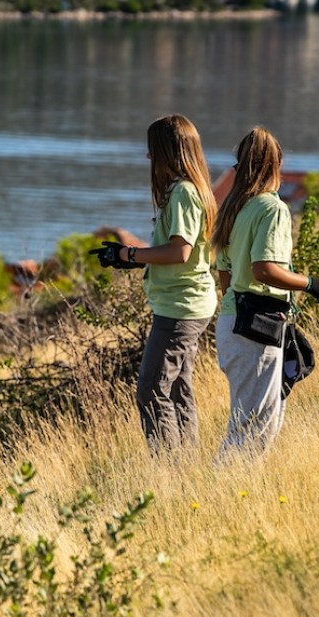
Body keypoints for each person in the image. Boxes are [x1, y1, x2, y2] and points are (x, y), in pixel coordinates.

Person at [91, 114, 219, 452]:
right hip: (185, 302)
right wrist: (127, 257)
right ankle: (186, 465)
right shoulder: (187, 191)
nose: (148, 156)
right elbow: (181, 254)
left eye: (152, 149)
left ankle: (169, 470)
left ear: (166, 151)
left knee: (151, 389)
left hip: (181, 308)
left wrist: (130, 256)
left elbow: (180, 251)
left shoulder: (183, 194)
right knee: (178, 387)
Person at [210, 127, 319, 458]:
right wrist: (311, 284)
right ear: (275, 164)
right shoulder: (272, 209)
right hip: (256, 328)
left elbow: (225, 278)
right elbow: (265, 269)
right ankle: (221, 498)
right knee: (253, 431)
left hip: (234, 322)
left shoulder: (233, 209)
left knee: (255, 423)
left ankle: (228, 495)